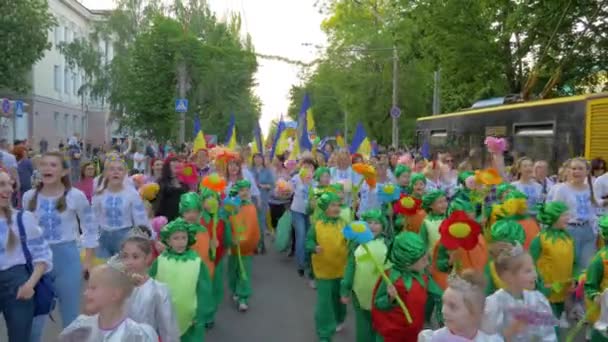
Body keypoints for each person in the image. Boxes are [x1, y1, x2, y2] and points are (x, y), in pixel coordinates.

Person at [24, 152, 99, 341]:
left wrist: (88, 260)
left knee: (71, 315)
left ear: (64, 171)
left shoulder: (76, 196)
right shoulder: (29, 197)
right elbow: (23, 231)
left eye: (53, 165)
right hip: (37, 259)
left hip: (67, 258)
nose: (47, 169)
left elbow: (90, 228)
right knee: (35, 315)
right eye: (43, 165)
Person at [0, 168, 53, 342]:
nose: (8, 189)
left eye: (10, 184)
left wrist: (30, 284)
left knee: (20, 338)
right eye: (2, 184)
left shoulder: (23, 219)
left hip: (17, 283)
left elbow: (42, 255)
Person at [59, 260, 158, 341]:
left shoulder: (138, 335)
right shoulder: (79, 328)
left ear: (115, 294)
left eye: (93, 288)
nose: (85, 293)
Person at [371, 231, 441, 342]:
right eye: (422, 259)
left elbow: (439, 294)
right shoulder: (390, 277)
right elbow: (378, 304)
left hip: (414, 330)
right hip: (393, 332)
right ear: (407, 262)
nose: (427, 262)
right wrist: (390, 298)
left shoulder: (422, 275)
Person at [149, 218, 211, 341]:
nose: (180, 242)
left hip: (190, 314)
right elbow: (150, 285)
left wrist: (200, 314)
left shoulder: (196, 262)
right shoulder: (161, 261)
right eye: (176, 238)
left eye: (184, 238)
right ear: (168, 240)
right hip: (165, 315)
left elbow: (204, 289)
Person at [481, 242, 557, 341]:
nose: (535, 275)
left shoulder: (537, 299)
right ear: (508, 276)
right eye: (528, 271)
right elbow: (487, 337)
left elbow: (548, 334)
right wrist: (510, 332)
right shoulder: (495, 304)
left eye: (534, 269)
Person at [120, 230, 180, 341]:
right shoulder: (116, 287)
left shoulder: (158, 290)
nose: (129, 262)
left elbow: (168, 330)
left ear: (147, 258)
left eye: (135, 257)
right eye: (125, 256)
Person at [340, 209, 389, 342]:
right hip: (360, 293)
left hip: (381, 294)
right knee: (363, 326)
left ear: (383, 226)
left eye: (377, 223)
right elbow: (350, 269)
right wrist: (345, 290)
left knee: (381, 325)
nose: (372, 226)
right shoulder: (357, 246)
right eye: (369, 223)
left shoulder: (388, 244)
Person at [306, 191, 348, 342]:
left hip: (342, 270)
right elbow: (309, 241)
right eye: (332, 205)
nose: (336, 208)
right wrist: (314, 247)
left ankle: (339, 318)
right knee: (324, 303)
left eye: (338, 205)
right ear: (325, 208)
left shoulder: (344, 223)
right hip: (323, 271)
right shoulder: (317, 225)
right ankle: (324, 332)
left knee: (339, 300)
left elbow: (351, 241)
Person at [418, 270, 503, 341]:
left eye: (452, 306)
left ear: (475, 312)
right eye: (444, 302)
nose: (444, 310)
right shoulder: (434, 339)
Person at [93, 155, 151, 259]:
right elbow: (93, 217)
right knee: (103, 269)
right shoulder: (99, 194)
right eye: (112, 169)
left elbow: (140, 218)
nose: (116, 172)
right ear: (105, 173)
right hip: (103, 237)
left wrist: (146, 238)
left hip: (125, 236)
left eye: (120, 169)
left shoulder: (132, 194)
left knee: (123, 269)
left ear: (125, 173)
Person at [530, 201, 575, 330]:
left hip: (564, 279)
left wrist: (573, 276)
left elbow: (573, 258)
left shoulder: (567, 236)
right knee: (549, 305)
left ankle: (559, 317)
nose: (568, 218)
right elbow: (531, 260)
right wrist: (538, 282)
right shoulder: (541, 238)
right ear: (554, 217)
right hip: (548, 281)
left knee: (561, 300)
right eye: (564, 215)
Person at [199, 186, 232, 328]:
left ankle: (210, 314)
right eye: (208, 198)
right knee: (202, 287)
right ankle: (201, 314)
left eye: (215, 198)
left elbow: (227, 236)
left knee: (215, 287)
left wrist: (228, 246)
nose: (211, 201)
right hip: (202, 260)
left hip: (217, 258)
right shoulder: (199, 220)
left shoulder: (223, 219)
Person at [227, 180, 260, 311]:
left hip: (245, 247)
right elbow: (226, 222)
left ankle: (243, 297)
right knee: (233, 270)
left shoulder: (251, 207)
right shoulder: (231, 206)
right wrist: (230, 239)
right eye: (241, 190)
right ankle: (235, 289)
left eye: (246, 190)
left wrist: (249, 241)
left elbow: (253, 227)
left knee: (244, 271)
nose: (244, 193)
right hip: (233, 245)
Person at [251, 153, 274, 253]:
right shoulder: (250, 171)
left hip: (263, 198)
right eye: (255, 158)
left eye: (259, 158)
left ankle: (261, 243)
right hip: (251, 199)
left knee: (261, 221)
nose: (258, 160)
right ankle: (255, 244)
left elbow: (271, 185)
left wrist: (261, 186)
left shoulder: (267, 171)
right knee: (253, 222)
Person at [154, 156, 189, 222]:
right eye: (173, 161)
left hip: (181, 221)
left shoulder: (184, 184)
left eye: (178, 162)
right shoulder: (161, 182)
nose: (177, 163)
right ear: (168, 166)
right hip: (166, 221)